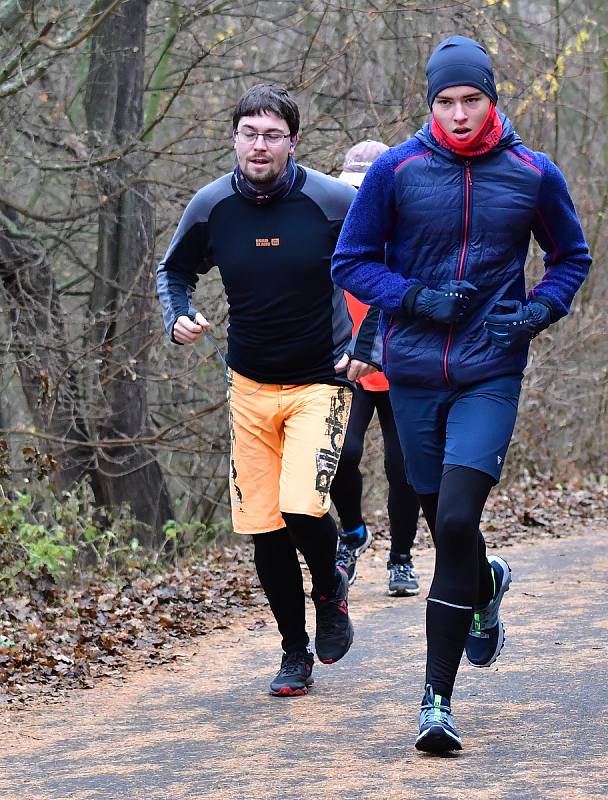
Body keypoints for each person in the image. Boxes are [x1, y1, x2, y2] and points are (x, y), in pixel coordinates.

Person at [332, 36, 591, 752]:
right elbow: (350, 261)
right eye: (444, 101)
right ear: (430, 103)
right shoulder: (396, 170)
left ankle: (435, 702)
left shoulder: (533, 174)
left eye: (470, 99)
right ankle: (486, 585)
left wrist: (537, 311)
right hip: (412, 371)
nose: (457, 113)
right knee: (434, 504)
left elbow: (572, 258)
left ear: (491, 98)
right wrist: (415, 297)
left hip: (489, 371)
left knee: (451, 522)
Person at [157, 84, 381, 698]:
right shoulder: (211, 207)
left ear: (293, 142)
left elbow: (384, 271)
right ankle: (294, 653)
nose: (260, 145)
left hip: (322, 380)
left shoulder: (332, 201)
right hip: (248, 385)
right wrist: (176, 313)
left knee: (302, 505)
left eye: (272, 135)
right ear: (234, 138)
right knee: (263, 525)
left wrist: (369, 345)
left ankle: (330, 590)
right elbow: (173, 271)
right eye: (250, 133)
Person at [331, 140, 421, 597]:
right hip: (349, 366)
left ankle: (401, 559)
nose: (359, 198)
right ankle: (352, 533)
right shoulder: (335, 234)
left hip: (401, 365)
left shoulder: (410, 237)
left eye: (367, 188)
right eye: (352, 188)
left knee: (402, 466)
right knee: (338, 455)